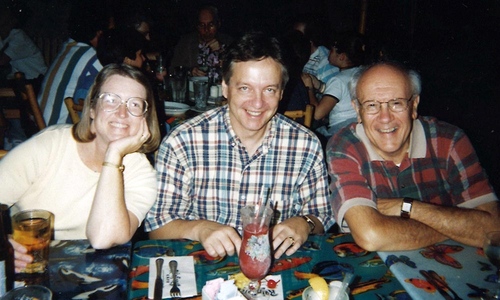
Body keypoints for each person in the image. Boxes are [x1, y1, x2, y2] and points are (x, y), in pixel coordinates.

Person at [146, 32, 334, 260]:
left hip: (276, 269)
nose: (257, 103)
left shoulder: (305, 144)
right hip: (204, 267)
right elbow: (157, 228)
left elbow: (321, 215)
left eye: (269, 89)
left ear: (281, 93)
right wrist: (200, 229)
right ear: (225, 87)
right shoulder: (182, 141)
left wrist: (305, 223)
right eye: (245, 88)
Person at [0, 63, 161, 272]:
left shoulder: (141, 173)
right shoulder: (50, 146)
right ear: (92, 109)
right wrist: (3, 245)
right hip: (24, 269)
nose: (122, 113)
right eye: (111, 100)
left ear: (145, 119)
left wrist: (113, 155)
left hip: (85, 275)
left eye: (135, 105)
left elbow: (104, 238)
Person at [326, 61, 500, 251]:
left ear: (414, 105)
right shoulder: (345, 146)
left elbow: (494, 230)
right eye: (372, 105)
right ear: (358, 110)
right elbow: (371, 236)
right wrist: (458, 226)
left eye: (396, 103)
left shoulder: (449, 141)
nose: (385, 118)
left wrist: (407, 207)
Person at [37, 3, 108, 125]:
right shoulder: (93, 58)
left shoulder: (69, 48)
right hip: (59, 133)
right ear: (99, 33)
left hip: (42, 127)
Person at [303, 32, 365, 138]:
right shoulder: (362, 72)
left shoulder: (338, 80)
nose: (328, 53)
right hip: (358, 126)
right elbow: (343, 94)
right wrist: (319, 85)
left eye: (331, 51)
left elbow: (317, 114)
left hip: (340, 131)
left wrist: (309, 88)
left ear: (341, 57)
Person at [169, 5, 232, 79]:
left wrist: (222, 50)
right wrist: (190, 71)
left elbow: (237, 70)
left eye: (211, 25)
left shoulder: (228, 42)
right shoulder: (186, 42)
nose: (206, 30)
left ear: (218, 24)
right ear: (197, 26)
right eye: (202, 25)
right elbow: (172, 70)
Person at [0, 7, 47, 92]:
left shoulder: (19, 37)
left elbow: (2, 61)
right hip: (18, 81)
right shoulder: (4, 37)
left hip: (36, 81)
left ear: (12, 21)